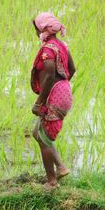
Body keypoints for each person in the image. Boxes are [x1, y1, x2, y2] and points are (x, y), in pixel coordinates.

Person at [30, 12, 76, 190]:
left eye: (36, 28)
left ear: (42, 29)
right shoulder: (61, 45)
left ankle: (51, 182)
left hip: (54, 95)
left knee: (44, 139)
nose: (35, 32)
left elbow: (49, 76)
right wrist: (62, 86)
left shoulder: (48, 49)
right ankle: (61, 167)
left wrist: (39, 102)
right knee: (37, 132)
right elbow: (72, 69)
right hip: (62, 92)